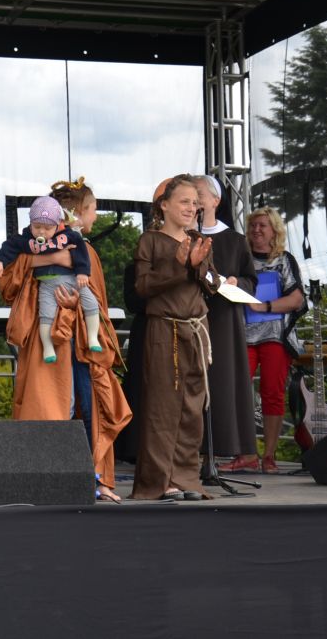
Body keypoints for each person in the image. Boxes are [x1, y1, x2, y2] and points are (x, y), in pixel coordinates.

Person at [0, 177, 130, 503]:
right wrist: (49, 260)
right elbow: (8, 285)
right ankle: (48, 478)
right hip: (48, 341)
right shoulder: (29, 247)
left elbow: (95, 298)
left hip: (82, 341)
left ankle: (94, 477)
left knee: (89, 405)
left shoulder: (86, 252)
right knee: (49, 406)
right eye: (93, 209)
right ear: (75, 214)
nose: (95, 216)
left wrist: (73, 300)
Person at [130, 174, 218, 501]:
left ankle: (186, 479)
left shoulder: (198, 240)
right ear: (164, 205)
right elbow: (142, 287)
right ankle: (159, 481)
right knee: (162, 408)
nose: (191, 208)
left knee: (192, 409)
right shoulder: (150, 241)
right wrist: (179, 266)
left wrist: (198, 266)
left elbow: (213, 284)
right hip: (164, 330)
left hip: (196, 331)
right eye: (184, 201)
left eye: (195, 203)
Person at [192, 175, 260, 473]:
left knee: (221, 383)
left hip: (223, 321)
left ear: (215, 201)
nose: (195, 200)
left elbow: (251, 280)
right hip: (190, 316)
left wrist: (236, 282)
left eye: (199, 194)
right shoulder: (184, 237)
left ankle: (217, 452)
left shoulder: (234, 240)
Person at [0, 195, 104, 363]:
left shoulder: (70, 237)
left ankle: (92, 337)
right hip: (45, 288)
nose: (42, 231)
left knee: (91, 304)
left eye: (47, 228)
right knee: (46, 316)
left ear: (58, 224)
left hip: (72, 291)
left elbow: (81, 255)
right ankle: (47, 347)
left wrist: (81, 273)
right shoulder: (26, 239)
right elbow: (10, 248)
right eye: (37, 227)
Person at [238, 207, 305, 474]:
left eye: (262, 225)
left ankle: (269, 455)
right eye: (253, 225)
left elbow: (296, 299)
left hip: (275, 336)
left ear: (274, 230)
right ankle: (246, 453)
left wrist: (264, 307)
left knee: (273, 393)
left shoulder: (284, 260)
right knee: (239, 392)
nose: (256, 230)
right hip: (243, 336)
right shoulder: (241, 259)